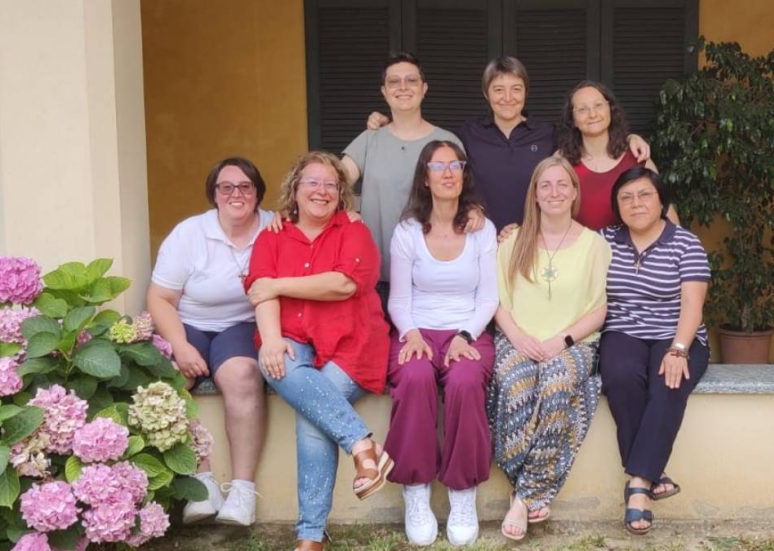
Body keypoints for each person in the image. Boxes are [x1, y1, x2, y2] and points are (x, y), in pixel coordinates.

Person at [245, 151, 393, 551]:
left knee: (313, 418)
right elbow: (260, 290)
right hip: (291, 338)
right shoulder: (273, 235)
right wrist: (272, 340)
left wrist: (279, 284)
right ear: (295, 189)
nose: (321, 191)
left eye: (330, 184)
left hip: (353, 344)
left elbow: (344, 284)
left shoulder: (353, 231)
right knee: (280, 367)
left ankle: (311, 535)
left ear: (341, 193)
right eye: (311, 182)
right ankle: (363, 446)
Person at [369, 57, 651, 229]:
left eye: (516, 89)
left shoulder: (548, 134)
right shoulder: (466, 134)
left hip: (535, 243)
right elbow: (424, 138)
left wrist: (629, 138)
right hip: (479, 239)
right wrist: (388, 122)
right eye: (498, 89)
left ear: (526, 93)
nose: (508, 97)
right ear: (485, 93)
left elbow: (592, 135)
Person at [489, 155, 610, 541]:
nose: (554, 192)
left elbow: (601, 307)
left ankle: (523, 497)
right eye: (546, 186)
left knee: (558, 384)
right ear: (535, 194)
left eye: (562, 184)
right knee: (514, 385)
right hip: (517, 337)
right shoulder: (513, 241)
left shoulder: (594, 245)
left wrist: (562, 340)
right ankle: (531, 488)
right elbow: (497, 301)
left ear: (575, 192)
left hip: (575, 341)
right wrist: (519, 338)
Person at [146, 157, 272, 526]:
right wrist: (181, 346)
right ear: (214, 194)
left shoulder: (274, 226)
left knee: (242, 375)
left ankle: (243, 491)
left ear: (258, 194)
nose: (237, 194)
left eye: (246, 186)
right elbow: (159, 298)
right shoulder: (189, 233)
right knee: (170, 379)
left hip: (242, 324)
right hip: (190, 322)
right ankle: (201, 483)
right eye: (226, 187)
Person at [384, 141, 498, 546]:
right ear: (425, 176)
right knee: (414, 378)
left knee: (466, 383)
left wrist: (465, 335)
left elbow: (488, 298)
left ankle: (462, 493)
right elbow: (398, 299)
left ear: (464, 174)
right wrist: (411, 333)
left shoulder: (483, 228)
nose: (447, 172)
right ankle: (415, 492)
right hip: (417, 330)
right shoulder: (408, 231)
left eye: (455, 165)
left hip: (468, 330)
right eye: (438, 165)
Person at [598, 167, 710, 535]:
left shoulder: (685, 243)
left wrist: (678, 349)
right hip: (623, 330)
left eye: (645, 195)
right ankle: (653, 472)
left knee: (668, 382)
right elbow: (560, 244)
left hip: (677, 333)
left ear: (661, 201)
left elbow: (692, 305)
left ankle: (638, 488)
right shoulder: (603, 240)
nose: (636, 204)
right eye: (626, 198)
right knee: (619, 376)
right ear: (617, 206)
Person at [341, 52, 465, 306]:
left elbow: (466, 196)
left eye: (411, 80)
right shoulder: (369, 140)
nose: (403, 87)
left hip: (432, 278)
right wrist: (346, 212)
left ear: (424, 88)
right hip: (377, 277)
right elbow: (331, 185)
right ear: (384, 91)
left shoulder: (447, 143)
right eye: (394, 82)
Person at [557, 80, 678, 230]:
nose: (592, 114)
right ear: (572, 119)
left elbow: (665, 210)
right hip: (583, 251)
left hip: (632, 252)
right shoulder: (562, 161)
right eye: (582, 109)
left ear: (610, 110)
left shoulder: (637, 157)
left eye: (598, 105)